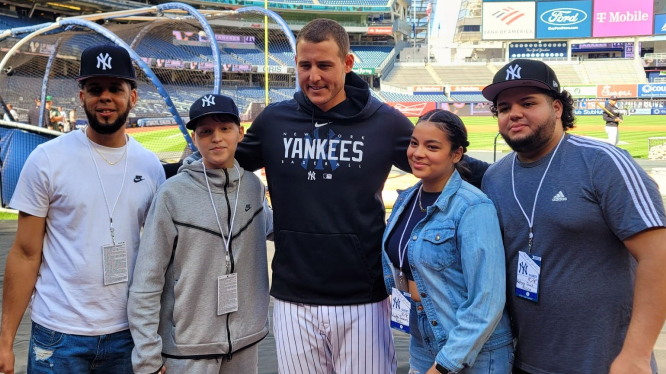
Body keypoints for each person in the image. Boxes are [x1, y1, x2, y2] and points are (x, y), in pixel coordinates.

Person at [234, 18, 489, 374]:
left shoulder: (384, 122)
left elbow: (440, 161)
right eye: (305, 65)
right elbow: (225, 163)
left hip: (362, 297)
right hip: (292, 295)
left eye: (324, 65)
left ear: (348, 63)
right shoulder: (274, 120)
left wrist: (503, 176)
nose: (314, 76)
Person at [480, 59, 666, 374]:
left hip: (607, 364)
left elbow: (658, 255)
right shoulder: (495, 177)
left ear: (557, 108)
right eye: (503, 107)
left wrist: (636, 354)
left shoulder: (603, 162)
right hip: (524, 362)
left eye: (528, 103)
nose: (514, 113)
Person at [0, 44, 165, 374]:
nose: (105, 97)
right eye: (95, 89)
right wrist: (5, 341)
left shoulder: (150, 167)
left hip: (127, 333)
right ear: (81, 97)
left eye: (115, 88)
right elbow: (25, 252)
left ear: (133, 97)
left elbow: (160, 257)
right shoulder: (47, 159)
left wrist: (158, 339)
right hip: (58, 334)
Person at [128, 94, 273, 374]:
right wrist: (147, 356)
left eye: (224, 129)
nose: (216, 138)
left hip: (244, 345)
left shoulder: (253, 187)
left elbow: (273, 226)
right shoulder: (172, 194)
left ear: (240, 133)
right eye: (205, 132)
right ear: (195, 139)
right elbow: (147, 279)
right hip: (187, 351)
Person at [382, 109, 513, 374]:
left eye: (432, 147)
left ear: (456, 154)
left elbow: (487, 301)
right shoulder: (407, 198)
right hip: (424, 341)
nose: (418, 153)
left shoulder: (473, 207)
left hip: (472, 352)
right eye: (414, 143)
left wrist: (444, 366)